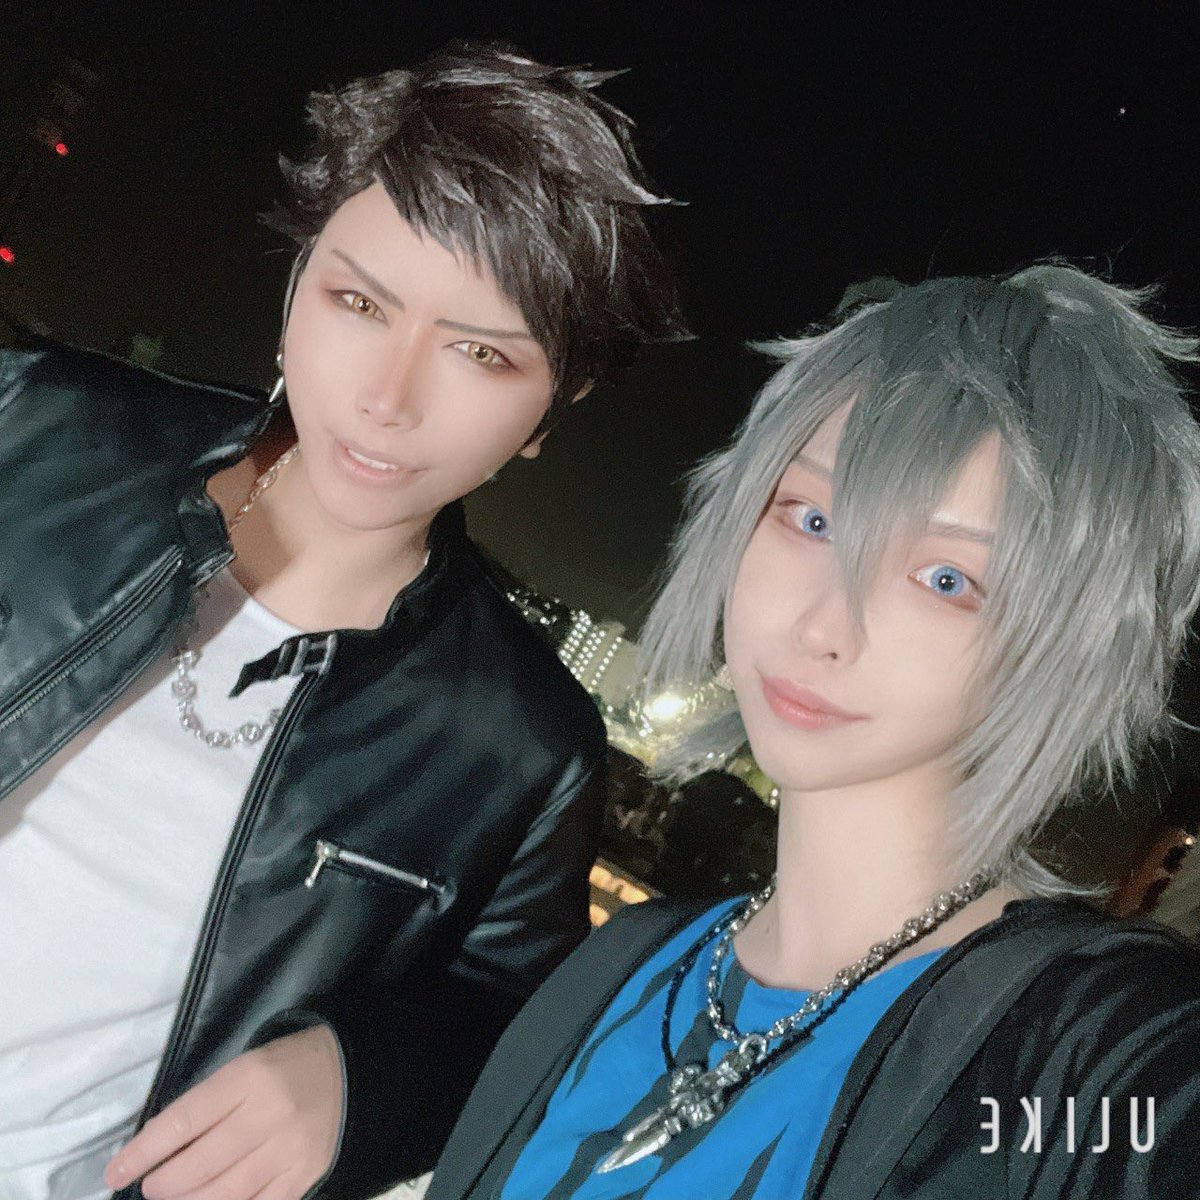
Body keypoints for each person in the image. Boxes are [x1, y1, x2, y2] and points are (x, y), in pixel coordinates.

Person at [0, 45, 685, 1200]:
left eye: (480, 352)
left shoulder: (518, 745)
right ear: (297, 282)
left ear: (550, 408)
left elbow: (510, 1022)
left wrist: (362, 1081)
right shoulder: (36, 427)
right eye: (359, 303)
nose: (387, 397)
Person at [428, 264, 1200, 1199]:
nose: (824, 625)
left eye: (947, 579)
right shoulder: (619, 967)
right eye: (814, 517)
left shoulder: (1090, 1055)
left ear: (1070, 645)